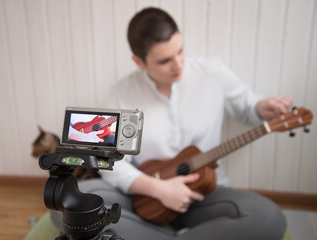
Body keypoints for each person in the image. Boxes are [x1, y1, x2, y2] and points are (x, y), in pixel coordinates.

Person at [51, 7, 292, 240]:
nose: (179, 64)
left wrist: (261, 107)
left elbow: (248, 106)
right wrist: (159, 190)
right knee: (64, 208)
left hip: (203, 196)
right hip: (143, 198)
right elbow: (112, 164)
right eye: (165, 60)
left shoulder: (213, 73)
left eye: (181, 51)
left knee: (270, 219)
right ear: (139, 61)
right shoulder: (120, 94)